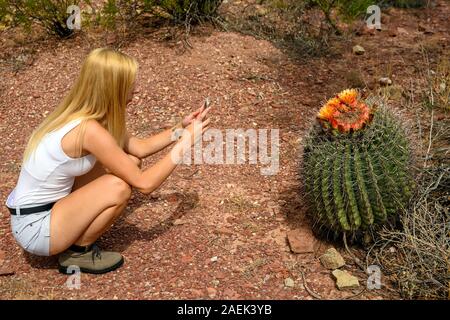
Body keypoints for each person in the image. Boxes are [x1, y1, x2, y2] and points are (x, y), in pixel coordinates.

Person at [5, 48, 211, 274]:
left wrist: (180, 129)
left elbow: (139, 148)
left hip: (45, 210)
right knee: (119, 186)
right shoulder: (88, 130)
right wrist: (186, 143)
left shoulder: (85, 117)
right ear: (114, 88)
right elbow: (145, 184)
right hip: (36, 229)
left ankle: (74, 235)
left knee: (130, 162)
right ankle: (77, 253)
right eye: (131, 83)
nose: (137, 89)